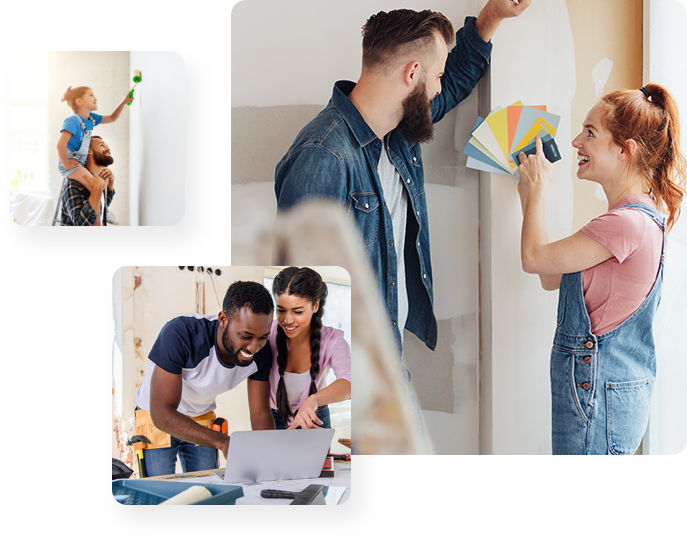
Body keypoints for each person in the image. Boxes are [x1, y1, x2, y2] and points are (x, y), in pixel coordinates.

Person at [275, 1, 531, 436]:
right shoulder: (324, 157)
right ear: (411, 74)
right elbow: (303, 285)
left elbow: (454, 86)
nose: (437, 89)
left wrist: (492, 17)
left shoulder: (395, 132)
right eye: (433, 77)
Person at [516, 83, 686, 454]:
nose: (576, 142)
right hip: (602, 394)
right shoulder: (634, 220)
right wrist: (529, 195)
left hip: (596, 393)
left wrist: (540, 190)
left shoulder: (625, 224)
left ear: (625, 150)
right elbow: (549, 276)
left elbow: (532, 259)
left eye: (590, 133)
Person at [133, 281, 275, 476]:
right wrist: (223, 441)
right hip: (155, 414)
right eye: (245, 336)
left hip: (201, 415)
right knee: (158, 492)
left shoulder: (262, 353)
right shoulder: (181, 334)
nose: (253, 348)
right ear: (223, 319)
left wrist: (270, 458)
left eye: (262, 337)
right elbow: (162, 412)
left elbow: (260, 414)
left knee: (206, 490)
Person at [269, 267, 351, 430]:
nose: (287, 320)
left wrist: (313, 400)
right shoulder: (266, 333)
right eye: (281, 310)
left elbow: (349, 382)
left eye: (298, 311)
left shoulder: (332, 340)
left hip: (314, 416)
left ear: (315, 306)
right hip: (273, 418)